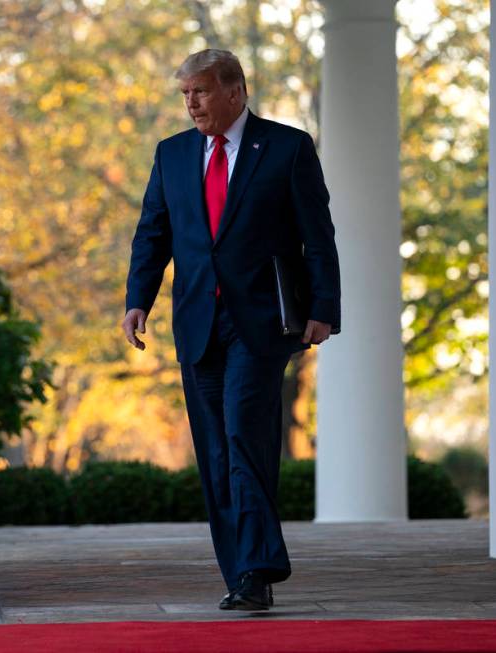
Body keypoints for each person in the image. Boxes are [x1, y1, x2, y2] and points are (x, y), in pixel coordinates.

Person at [121, 48, 340, 611]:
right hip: (197, 322)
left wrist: (324, 307)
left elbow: (317, 234)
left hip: (261, 322)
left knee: (245, 435)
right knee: (216, 451)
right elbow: (153, 234)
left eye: (199, 91)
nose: (190, 103)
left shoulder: (288, 148)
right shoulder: (171, 155)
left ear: (235, 91)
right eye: (185, 94)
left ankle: (258, 569)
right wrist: (137, 300)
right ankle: (241, 571)